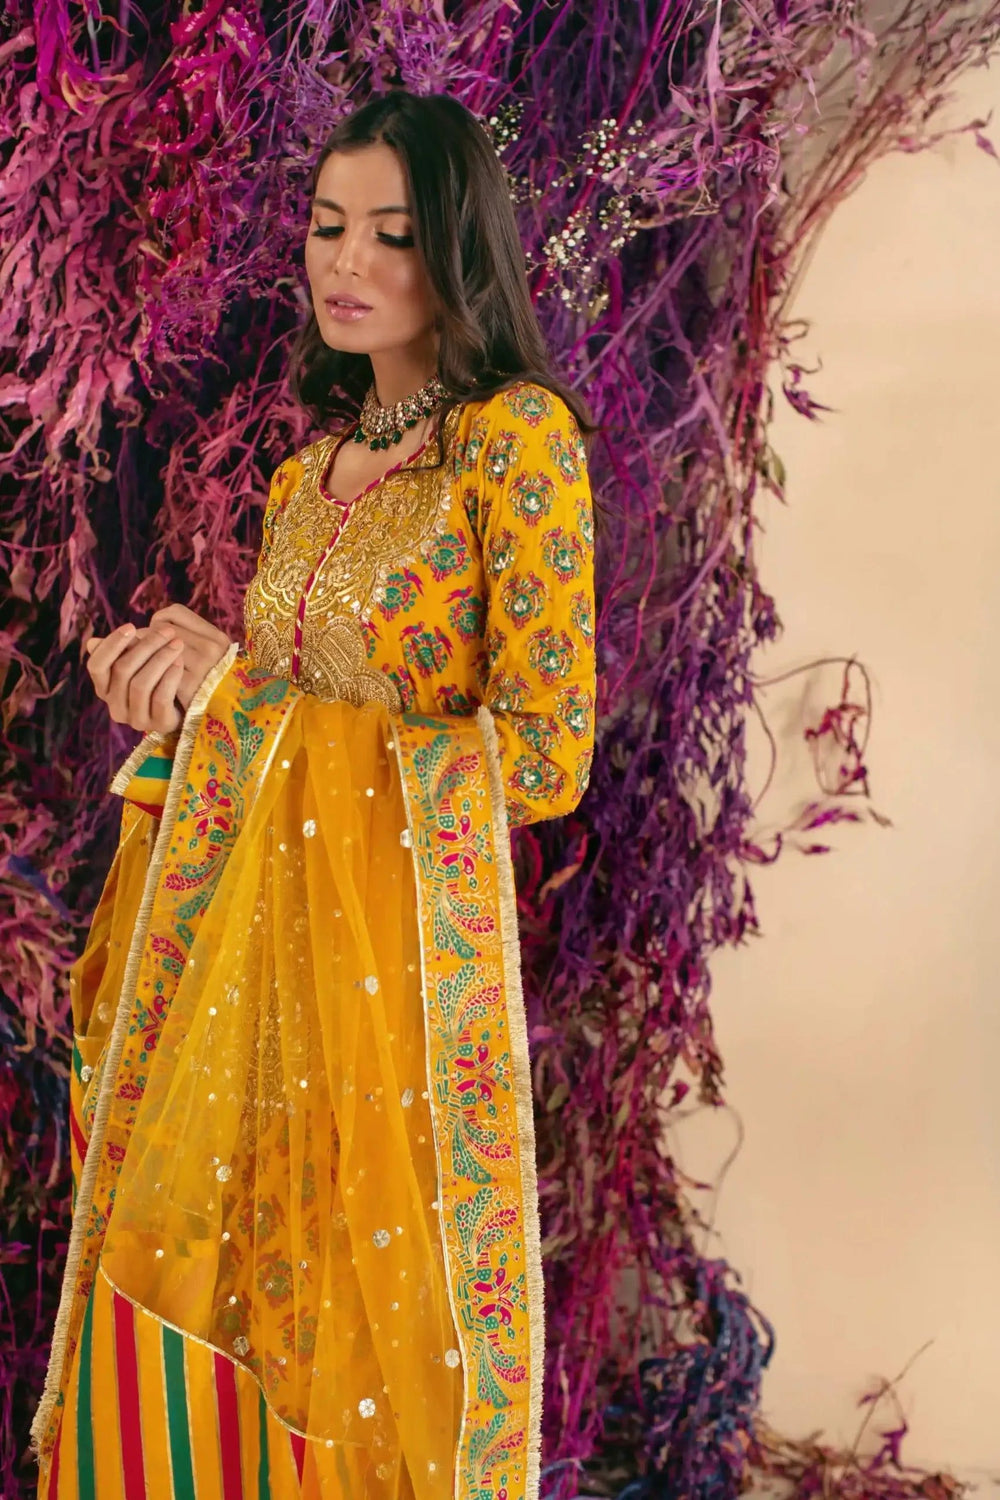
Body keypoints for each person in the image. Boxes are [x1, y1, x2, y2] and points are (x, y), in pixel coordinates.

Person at [32, 89, 597, 1500]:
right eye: (328, 226)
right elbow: (259, 735)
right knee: (235, 1324)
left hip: (397, 1000)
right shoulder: (307, 476)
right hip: (255, 990)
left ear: (456, 248)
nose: (347, 263)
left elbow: (543, 753)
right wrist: (177, 705)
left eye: (391, 235)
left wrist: (248, 705)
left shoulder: (512, 443)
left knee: (371, 1364)